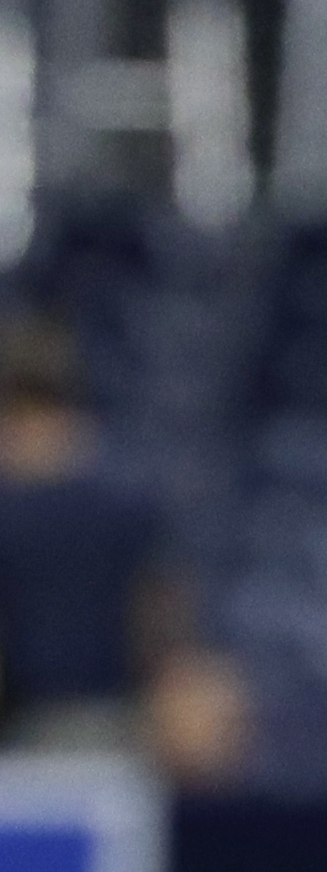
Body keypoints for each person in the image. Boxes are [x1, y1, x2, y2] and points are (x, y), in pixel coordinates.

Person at [0, 315, 250, 786]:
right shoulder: (134, 502)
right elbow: (168, 630)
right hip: (120, 748)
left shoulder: (113, 510)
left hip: (31, 750)